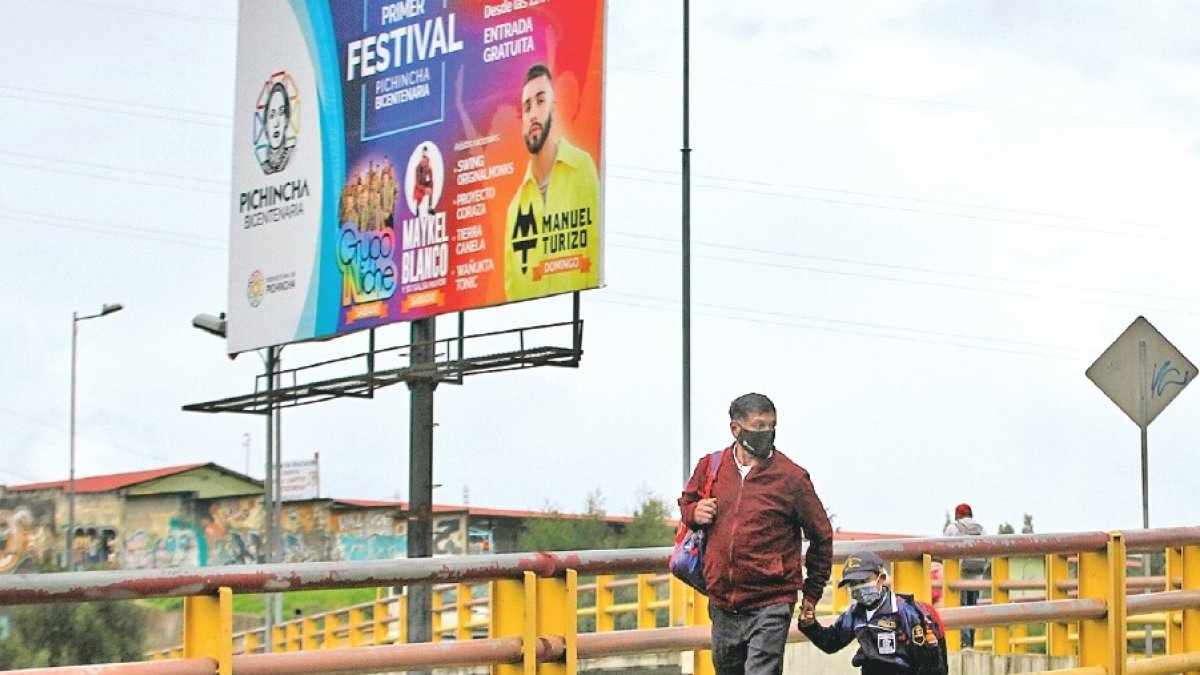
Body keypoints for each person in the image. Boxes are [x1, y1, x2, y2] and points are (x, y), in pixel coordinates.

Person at [678, 393, 834, 675]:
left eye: (771, 426)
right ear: (736, 429)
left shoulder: (792, 477)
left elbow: (821, 535)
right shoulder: (710, 466)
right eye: (759, 426)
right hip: (723, 602)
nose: (767, 433)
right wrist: (694, 512)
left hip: (771, 600)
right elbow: (686, 504)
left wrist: (812, 593)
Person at [504, 63, 601, 300]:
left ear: (553, 108)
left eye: (540, 101)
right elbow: (512, 292)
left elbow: (594, 249)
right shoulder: (515, 209)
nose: (534, 114)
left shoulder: (581, 168)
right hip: (526, 327)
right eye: (527, 108)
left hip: (582, 313)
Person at [798, 551, 947, 675]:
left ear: (881, 579)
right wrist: (810, 626)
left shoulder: (905, 612)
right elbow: (831, 642)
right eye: (853, 585)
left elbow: (929, 664)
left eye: (863, 581)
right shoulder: (855, 614)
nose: (858, 588)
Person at [943, 503, 985, 648]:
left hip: (959, 575)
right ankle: (971, 642)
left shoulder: (953, 528)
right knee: (973, 608)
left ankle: (964, 642)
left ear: (957, 515)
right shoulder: (981, 529)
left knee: (961, 607)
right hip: (977, 575)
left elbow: (943, 549)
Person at [412, 145, 436, 216]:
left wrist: (429, 188)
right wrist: (424, 189)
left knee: (431, 187)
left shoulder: (429, 168)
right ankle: (417, 209)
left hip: (426, 185)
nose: (424, 161)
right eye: (423, 158)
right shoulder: (418, 168)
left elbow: (430, 179)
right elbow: (417, 183)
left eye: (425, 159)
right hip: (419, 185)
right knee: (418, 193)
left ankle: (429, 208)